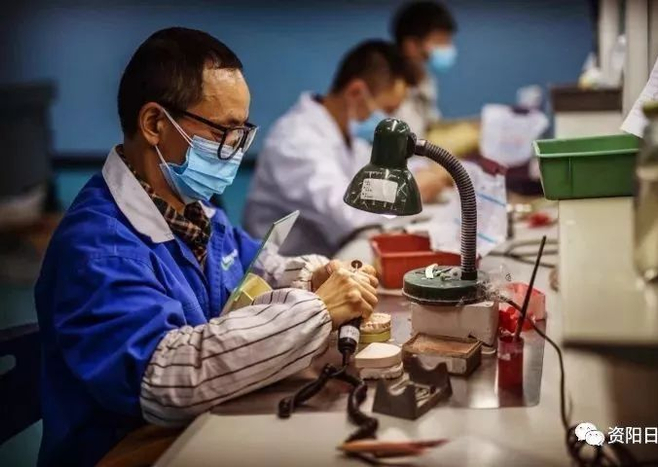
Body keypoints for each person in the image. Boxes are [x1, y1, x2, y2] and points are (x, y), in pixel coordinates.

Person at [34, 27, 378, 467]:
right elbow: (167, 379)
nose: (235, 149)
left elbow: (256, 268)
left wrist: (316, 277)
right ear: (155, 124)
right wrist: (317, 310)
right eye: (224, 131)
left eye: (242, 132)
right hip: (124, 451)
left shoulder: (195, 211)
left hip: (198, 427)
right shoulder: (99, 248)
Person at [245, 40, 446, 257]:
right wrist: (413, 189)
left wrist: (430, 170)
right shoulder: (296, 140)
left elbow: (379, 171)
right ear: (356, 92)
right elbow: (350, 216)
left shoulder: (346, 134)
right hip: (281, 270)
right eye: (388, 110)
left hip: (325, 259)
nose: (392, 120)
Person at [392, 1, 458, 139]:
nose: (448, 48)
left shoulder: (424, 79)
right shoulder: (390, 87)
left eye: (448, 41)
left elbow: (432, 126)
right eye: (440, 41)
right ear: (411, 45)